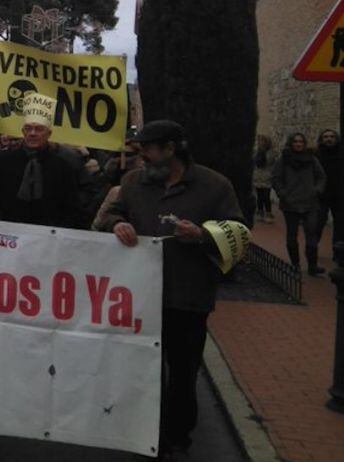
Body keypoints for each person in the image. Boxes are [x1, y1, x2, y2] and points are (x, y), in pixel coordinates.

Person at [96, 120, 244, 458]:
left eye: (148, 150)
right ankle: (139, 432)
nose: (142, 157)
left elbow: (238, 230)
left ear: (171, 149)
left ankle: (177, 438)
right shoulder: (133, 181)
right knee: (140, 370)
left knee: (182, 373)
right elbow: (108, 215)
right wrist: (117, 224)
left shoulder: (214, 185)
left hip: (188, 297)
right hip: (137, 296)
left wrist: (203, 236)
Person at [0, 104, 80, 228]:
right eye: (28, 128)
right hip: (9, 232)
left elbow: (70, 206)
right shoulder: (5, 160)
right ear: (23, 132)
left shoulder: (62, 166)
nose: (32, 133)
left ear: (49, 134)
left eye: (39, 129)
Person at [271, 132, 327, 275]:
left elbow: (321, 176)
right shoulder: (283, 160)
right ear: (291, 143)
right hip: (290, 203)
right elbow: (276, 178)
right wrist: (283, 194)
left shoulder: (312, 159)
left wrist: (317, 190)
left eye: (301, 142)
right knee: (292, 235)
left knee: (312, 234)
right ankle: (295, 264)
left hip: (310, 202)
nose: (298, 144)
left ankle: (312, 266)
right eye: (295, 141)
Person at [314, 129, 343, 247]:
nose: (329, 139)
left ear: (336, 139)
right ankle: (313, 248)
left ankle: (338, 252)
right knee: (318, 223)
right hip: (321, 196)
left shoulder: (341, 154)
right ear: (321, 139)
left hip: (339, 196)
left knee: (340, 226)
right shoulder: (316, 155)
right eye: (326, 137)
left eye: (332, 136)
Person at [252, 135, 276, 224]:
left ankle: (268, 213)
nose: (261, 143)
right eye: (260, 141)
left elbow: (270, 162)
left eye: (263, 141)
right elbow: (254, 162)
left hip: (267, 177)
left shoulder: (270, 153)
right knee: (259, 196)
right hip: (257, 177)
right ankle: (260, 211)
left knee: (266, 196)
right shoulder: (256, 151)